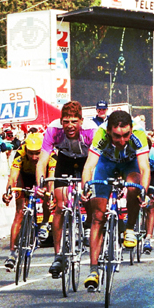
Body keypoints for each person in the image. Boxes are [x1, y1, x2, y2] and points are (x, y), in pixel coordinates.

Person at [80, 110, 150, 290]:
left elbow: (144, 168)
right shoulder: (101, 134)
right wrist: (85, 187)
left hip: (129, 164)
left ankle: (129, 229)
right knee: (97, 216)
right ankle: (93, 270)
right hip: (106, 164)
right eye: (117, 136)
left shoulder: (139, 134)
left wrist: (144, 192)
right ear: (109, 131)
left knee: (134, 186)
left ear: (131, 130)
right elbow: (89, 165)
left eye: (126, 135)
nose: (121, 141)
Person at [35, 101, 97, 278]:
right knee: (60, 207)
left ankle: (87, 225)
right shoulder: (53, 130)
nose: (70, 126)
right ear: (61, 121)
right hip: (65, 160)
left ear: (81, 121)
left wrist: (88, 185)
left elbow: (95, 162)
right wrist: (40, 184)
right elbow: (42, 161)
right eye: (66, 121)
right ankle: (58, 255)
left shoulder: (91, 130)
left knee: (89, 195)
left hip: (87, 161)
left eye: (74, 121)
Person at [1, 132, 55, 271]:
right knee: (19, 212)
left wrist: (51, 195)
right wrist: (8, 192)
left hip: (44, 174)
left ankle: (44, 223)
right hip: (25, 176)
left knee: (47, 194)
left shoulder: (50, 152)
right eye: (31, 153)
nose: (34, 157)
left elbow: (52, 179)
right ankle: (12, 253)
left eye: (37, 153)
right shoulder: (20, 152)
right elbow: (13, 176)